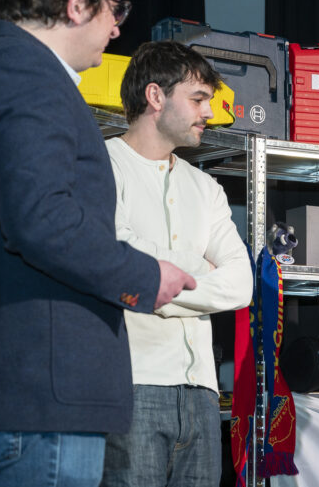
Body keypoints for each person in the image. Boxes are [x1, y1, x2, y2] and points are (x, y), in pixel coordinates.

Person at [0, 0, 196, 487]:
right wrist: (144, 275)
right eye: (115, 7)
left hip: (6, 396)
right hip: (37, 400)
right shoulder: (28, 75)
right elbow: (41, 220)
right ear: (76, 3)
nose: (117, 28)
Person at [100, 41, 253, 486]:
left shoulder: (205, 187)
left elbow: (241, 284)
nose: (208, 112)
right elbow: (116, 258)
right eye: (198, 98)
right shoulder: (102, 166)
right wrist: (200, 268)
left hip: (203, 396)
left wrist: (153, 288)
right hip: (133, 385)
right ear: (155, 96)